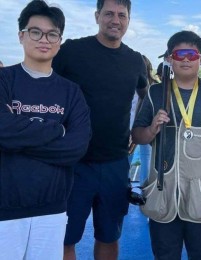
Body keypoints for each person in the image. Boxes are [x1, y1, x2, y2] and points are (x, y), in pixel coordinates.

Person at [52, 0, 148, 259]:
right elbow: (44, 82)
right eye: (108, 13)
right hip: (74, 163)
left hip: (116, 164)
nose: (115, 20)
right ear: (97, 16)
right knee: (65, 238)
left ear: (128, 20)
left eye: (121, 14)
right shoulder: (71, 51)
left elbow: (145, 94)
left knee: (109, 236)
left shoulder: (134, 60)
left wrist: (136, 133)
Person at [132, 30, 201, 260]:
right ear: (169, 59)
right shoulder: (155, 93)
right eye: (180, 54)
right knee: (165, 255)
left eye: (192, 54)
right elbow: (137, 136)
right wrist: (151, 129)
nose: (186, 59)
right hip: (163, 199)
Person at [0, 1, 91, 259]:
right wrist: (57, 130)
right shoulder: (4, 81)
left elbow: (76, 147)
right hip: (5, 211)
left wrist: (16, 142)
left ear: (59, 41)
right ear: (21, 36)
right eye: (35, 32)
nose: (44, 39)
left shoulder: (71, 92)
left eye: (52, 34)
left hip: (52, 211)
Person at [130, 55, 158, 182]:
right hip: (149, 125)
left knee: (128, 155)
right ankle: (144, 185)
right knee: (146, 155)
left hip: (132, 126)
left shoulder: (130, 85)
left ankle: (126, 185)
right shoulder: (156, 86)